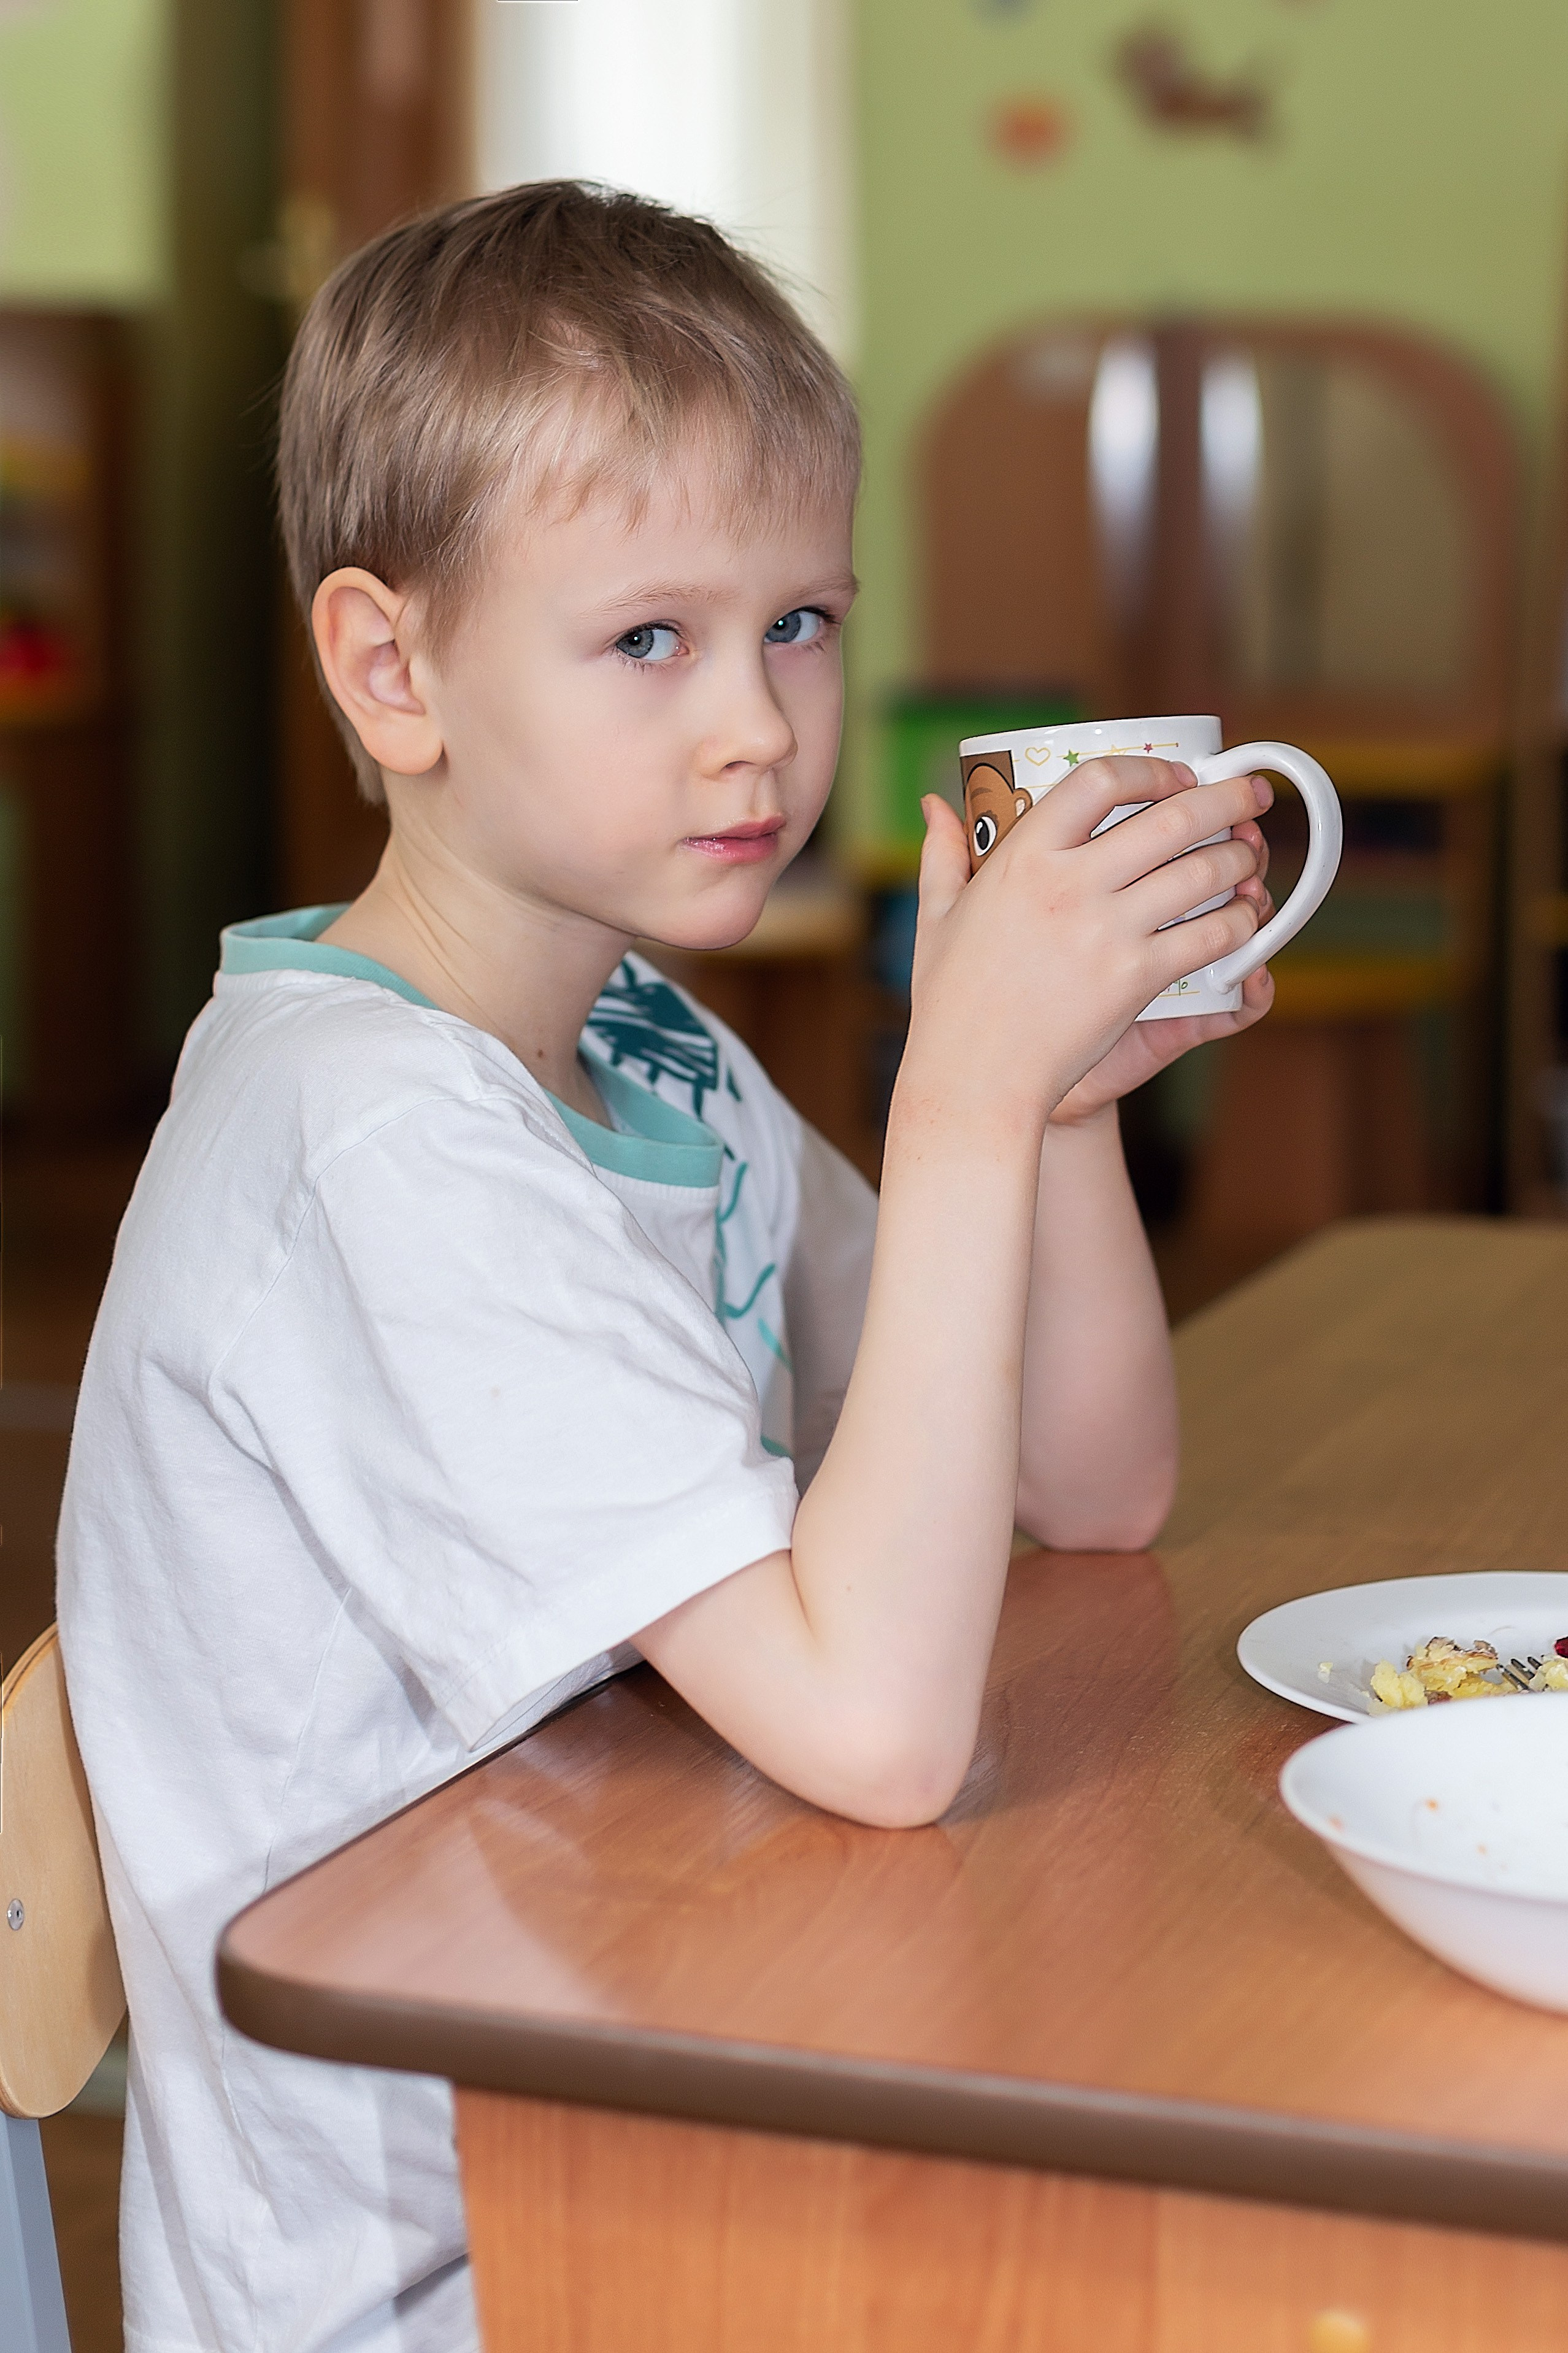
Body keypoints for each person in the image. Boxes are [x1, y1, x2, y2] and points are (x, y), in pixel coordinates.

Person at [56, 181, 1275, 2353]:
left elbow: (1082, 1489)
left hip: (668, 2036)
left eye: (801, 620)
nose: (758, 727)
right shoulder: (375, 1143)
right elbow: (884, 1730)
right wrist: (960, 1100)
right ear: (392, 666)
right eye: (649, 638)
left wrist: (1062, 1098)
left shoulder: (632, 1044)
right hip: (454, 2254)